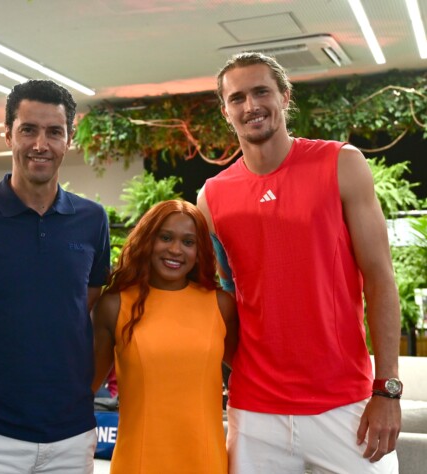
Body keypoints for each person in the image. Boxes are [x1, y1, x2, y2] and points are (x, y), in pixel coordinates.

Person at [197, 52, 402, 473]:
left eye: (261, 92)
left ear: (284, 97)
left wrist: (387, 390)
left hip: (347, 405)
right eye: (237, 98)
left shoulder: (342, 164)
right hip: (255, 413)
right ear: (226, 110)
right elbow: (227, 299)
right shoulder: (211, 199)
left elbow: (380, 278)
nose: (250, 106)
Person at [0, 79, 111, 473]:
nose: (40, 144)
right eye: (28, 129)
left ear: (69, 138)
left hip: (71, 434)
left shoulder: (91, 220)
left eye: (54, 132)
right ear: (8, 134)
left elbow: (86, 301)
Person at [92, 199, 238, 473]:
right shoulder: (114, 305)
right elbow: (85, 386)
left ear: (199, 250)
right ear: (148, 239)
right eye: (166, 237)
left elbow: (248, 372)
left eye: (188, 242)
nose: (175, 250)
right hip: (138, 459)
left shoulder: (220, 304)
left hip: (205, 459)